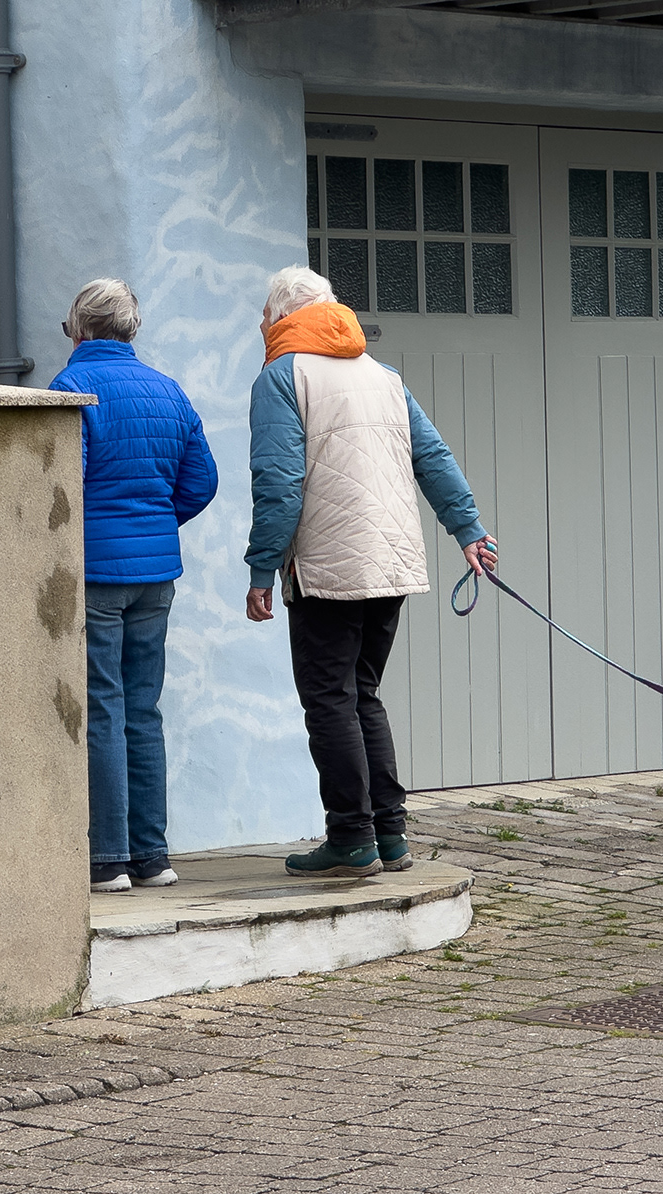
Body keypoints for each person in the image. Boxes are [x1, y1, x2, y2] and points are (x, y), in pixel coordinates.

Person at [245, 266, 496, 879]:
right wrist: (468, 530)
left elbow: (278, 484)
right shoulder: (382, 375)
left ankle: (351, 838)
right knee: (363, 694)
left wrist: (260, 570)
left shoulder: (281, 377)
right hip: (391, 561)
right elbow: (430, 454)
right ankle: (390, 835)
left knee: (329, 698)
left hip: (328, 565)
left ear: (279, 320)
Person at [50, 278, 218, 893]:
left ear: (80, 326)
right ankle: (154, 856)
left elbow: (65, 484)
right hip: (156, 573)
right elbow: (200, 480)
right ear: (131, 328)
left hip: (96, 571)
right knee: (144, 710)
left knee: (103, 707)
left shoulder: (71, 388)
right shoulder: (169, 390)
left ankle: (108, 860)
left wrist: (109, 529)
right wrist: (153, 523)